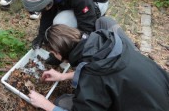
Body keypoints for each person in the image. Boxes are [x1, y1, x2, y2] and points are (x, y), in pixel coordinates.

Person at [28, 16, 169, 111]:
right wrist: (63, 77)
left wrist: (46, 105)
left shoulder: (93, 77)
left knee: (61, 103)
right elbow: (107, 74)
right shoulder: (110, 42)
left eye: (53, 53)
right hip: (160, 94)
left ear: (58, 53)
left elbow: (98, 77)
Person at [22, 0, 111, 58]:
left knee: (60, 23)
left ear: (50, 0)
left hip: (97, 1)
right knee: (54, 23)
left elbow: (87, 24)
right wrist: (41, 35)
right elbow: (48, 11)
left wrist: (64, 54)